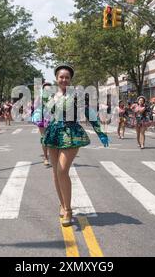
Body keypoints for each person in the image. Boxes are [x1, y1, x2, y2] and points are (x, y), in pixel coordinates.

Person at [43, 64, 109, 227]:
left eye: (67, 77)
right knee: (55, 172)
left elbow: (88, 112)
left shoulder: (76, 95)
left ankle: (68, 210)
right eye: (61, 77)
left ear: (71, 80)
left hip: (71, 132)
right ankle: (62, 204)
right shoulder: (50, 96)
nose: (64, 79)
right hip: (54, 132)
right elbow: (47, 114)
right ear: (57, 79)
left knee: (62, 170)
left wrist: (100, 131)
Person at [32, 82, 53, 166]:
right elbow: (35, 106)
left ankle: (51, 156)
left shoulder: (53, 97)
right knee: (44, 138)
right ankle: (46, 157)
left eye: (49, 89)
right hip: (42, 118)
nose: (47, 90)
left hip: (51, 118)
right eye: (46, 89)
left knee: (51, 138)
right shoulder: (39, 97)